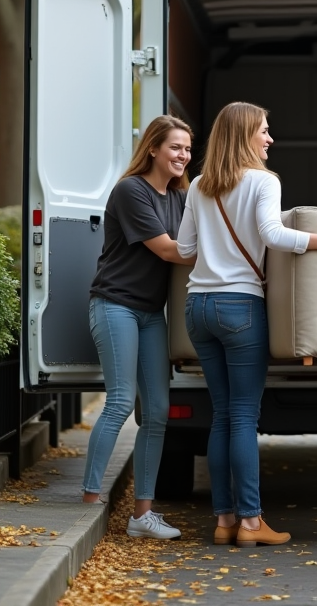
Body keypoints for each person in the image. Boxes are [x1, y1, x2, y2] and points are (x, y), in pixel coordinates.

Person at [177, 102, 317, 548]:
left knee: (221, 415)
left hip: (197, 307)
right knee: (243, 416)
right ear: (244, 136)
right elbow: (272, 234)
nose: (269, 139)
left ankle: (224, 520)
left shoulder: (200, 185)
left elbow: (185, 249)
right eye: (263, 131)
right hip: (239, 306)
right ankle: (252, 522)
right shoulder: (263, 181)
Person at [82, 115, 196, 541]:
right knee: (119, 401)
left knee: (160, 410)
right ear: (153, 149)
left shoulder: (181, 197)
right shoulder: (132, 191)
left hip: (151, 312)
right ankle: (90, 500)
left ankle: (141, 515)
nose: (183, 155)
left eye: (187, 148)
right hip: (115, 305)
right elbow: (169, 250)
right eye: (175, 147)